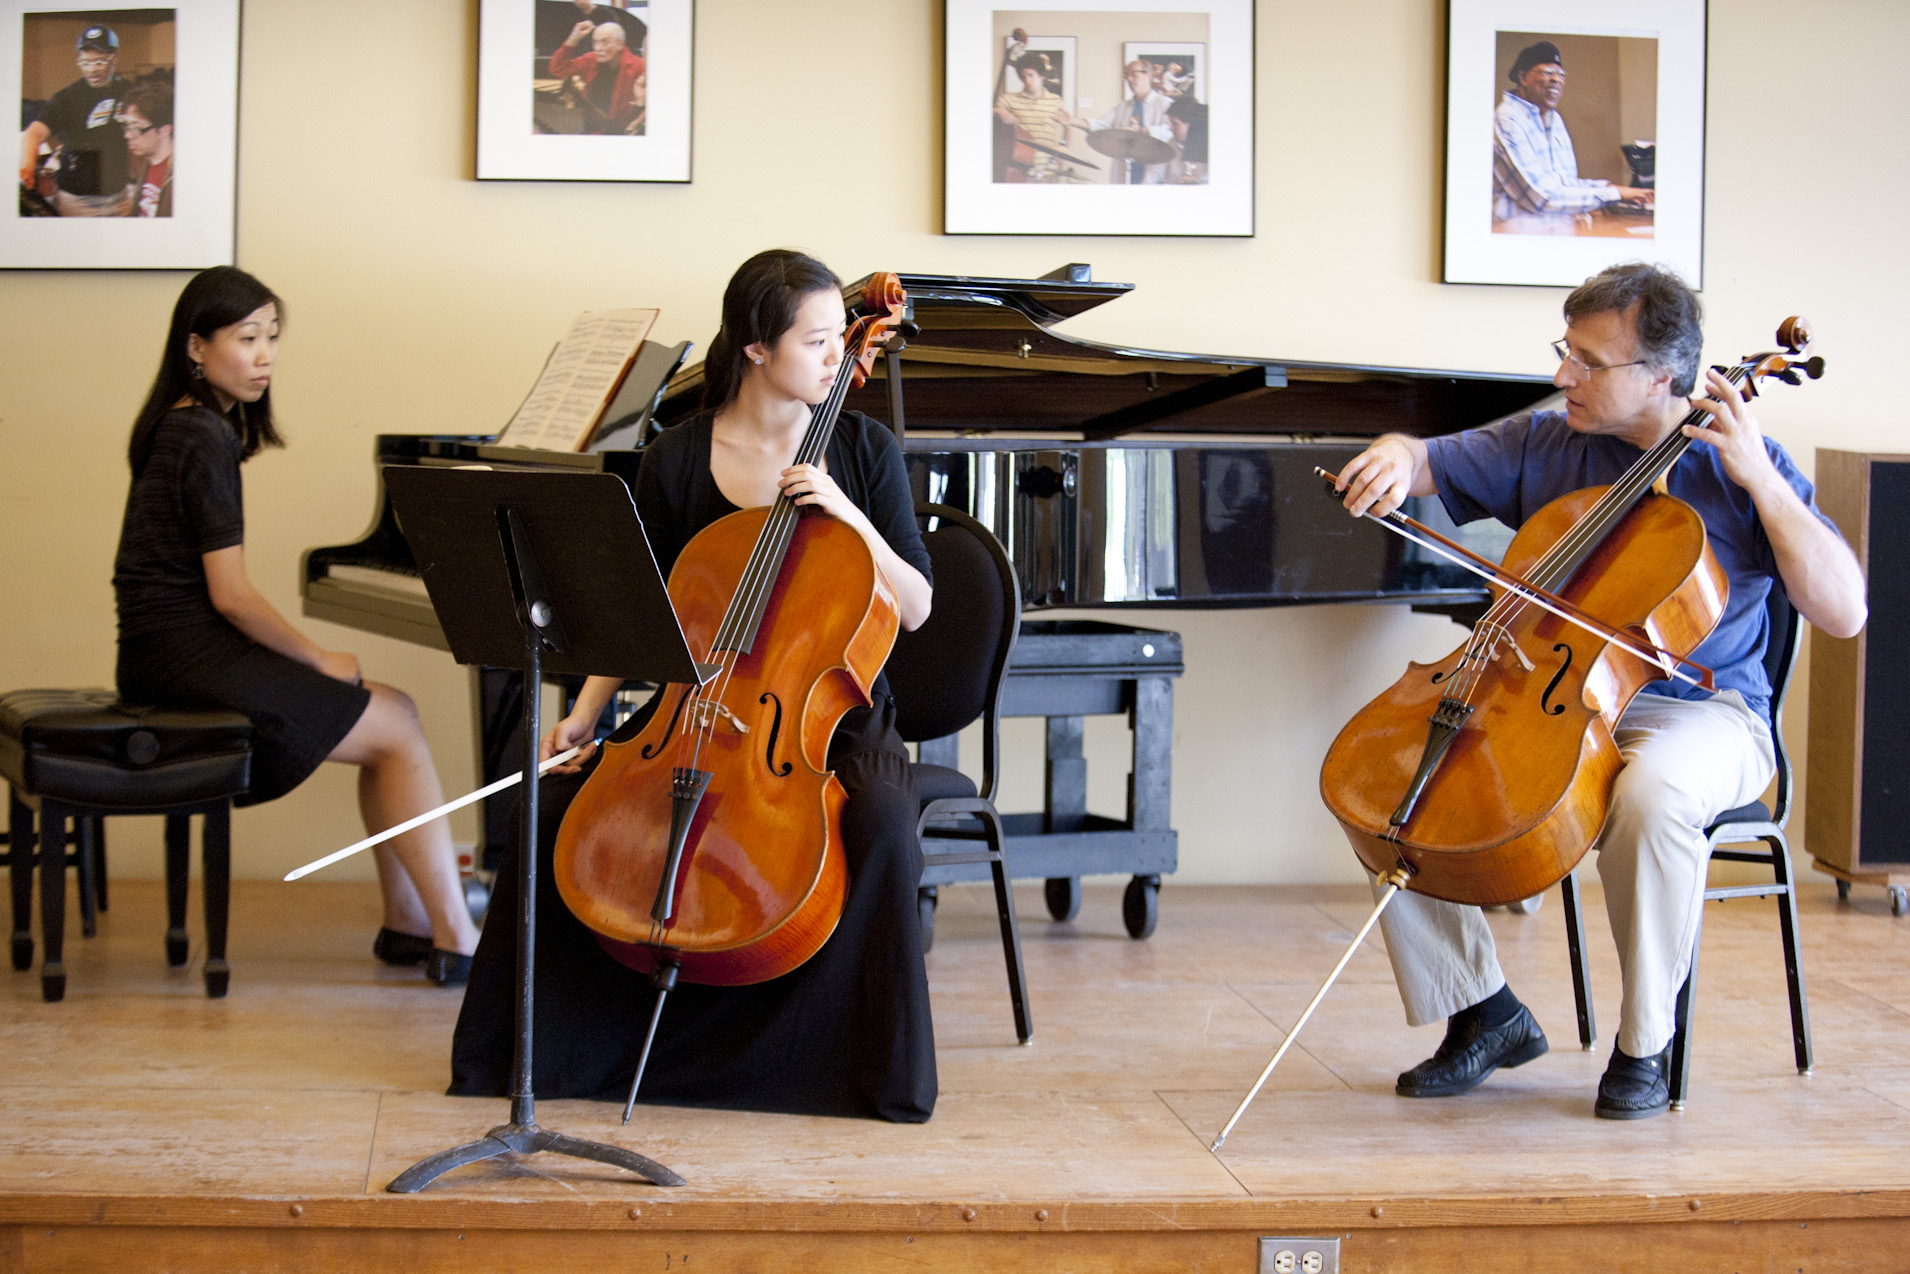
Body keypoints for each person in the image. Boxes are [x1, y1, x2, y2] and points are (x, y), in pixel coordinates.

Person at [1333, 262, 1866, 1119]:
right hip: (1561, 697)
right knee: (1402, 777)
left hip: (1705, 714)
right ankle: (1483, 1011)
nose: (1561, 376)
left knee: (1653, 796)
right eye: (1564, 351)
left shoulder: (1744, 466)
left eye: (1586, 361)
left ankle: (1644, 1044)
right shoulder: (1550, 441)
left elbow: (1843, 610)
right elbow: (1426, 459)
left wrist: (1762, 484)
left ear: (1662, 376)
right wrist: (1394, 461)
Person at [450, 250, 937, 1122]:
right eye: (816, 342)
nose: (835, 361)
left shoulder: (864, 449)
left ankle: (832, 1070)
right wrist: (587, 714)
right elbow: (647, 615)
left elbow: (918, 606)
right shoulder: (676, 461)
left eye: (839, 342)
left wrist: (847, 512)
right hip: (694, 709)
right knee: (548, 815)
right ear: (755, 350)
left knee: (885, 825)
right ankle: (556, 1059)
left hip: (827, 726)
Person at [113, 267, 483, 983]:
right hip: (187, 656)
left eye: (272, 338)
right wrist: (315, 658)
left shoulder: (180, 423)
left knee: (392, 720)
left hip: (161, 651)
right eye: (246, 338)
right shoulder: (202, 436)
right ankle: (455, 934)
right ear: (196, 346)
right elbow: (232, 597)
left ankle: (412, 924)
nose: (264, 356)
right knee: (397, 725)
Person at [1492, 41, 1650, 222]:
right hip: (1518, 235)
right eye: (1548, 72)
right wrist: (1614, 194)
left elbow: (1565, 184)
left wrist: (1610, 187)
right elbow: (1542, 199)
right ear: (1523, 77)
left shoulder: (1554, 118)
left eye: (1561, 74)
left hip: (1557, 229)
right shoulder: (1508, 118)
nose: (1556, 80)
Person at [18, 24, 132, 217]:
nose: (92, 70)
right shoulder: (67, 97)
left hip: (120, 197)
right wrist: (28, 167)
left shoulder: (128, 91)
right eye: (85, 63)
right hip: (77, 203)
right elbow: (34, 133)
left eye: (100, 62)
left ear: (114, 58)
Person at [1073, 62, 1174, 184]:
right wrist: (1071, 121)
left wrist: (1142, 131)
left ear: (1149, 74)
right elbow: (1101, 125)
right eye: (1127, 76)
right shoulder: (1123, 106)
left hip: (1153, 170)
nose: (1129, 79)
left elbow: (1169, 131)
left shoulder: (1164, 103)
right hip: (1125, 170)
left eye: (1133, 74)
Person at [549, 18, 645, 134]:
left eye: (605, 42)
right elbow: (557, 69)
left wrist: (636, 124)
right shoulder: (590, 59)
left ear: (620, 44)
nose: (598, 48)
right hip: (592, 130)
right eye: (595, 42)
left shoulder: (638, 66)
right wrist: (574, 38)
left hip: (622, 132)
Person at [993, 54, 1073, 180]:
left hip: (1048, 168)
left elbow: (1066, 128)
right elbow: (983, 117)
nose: (1027, 81)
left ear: (1041, 76)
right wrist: (999, 110)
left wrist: (1063, 147)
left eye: (1031, 75)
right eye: (1023, 77)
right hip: (1019, 166)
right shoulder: (1009, 99)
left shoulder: (1055, 100)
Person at [118, 82, 172, 218]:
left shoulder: (183, 178)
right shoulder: (147, 163)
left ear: (164, 130)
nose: (127, 135)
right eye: (127, 126)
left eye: (135, 127)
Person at [1166, 94, 1208, 184]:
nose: (1171, 128)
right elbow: (1152, 176)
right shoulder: (1171, 145)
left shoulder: (1210, 147)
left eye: (1175, 123)